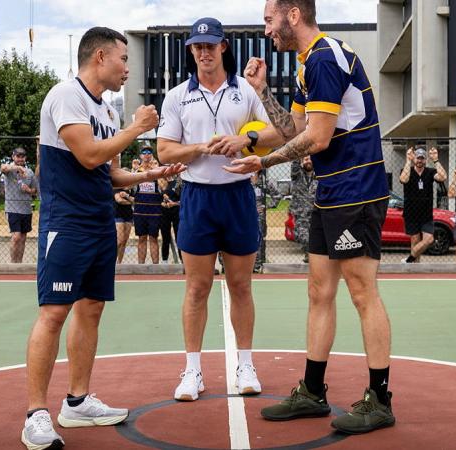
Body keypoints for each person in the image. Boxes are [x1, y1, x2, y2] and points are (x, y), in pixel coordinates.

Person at [226, 0, 396, 434]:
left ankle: (380, 399)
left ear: (293, 15)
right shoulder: (306, 64)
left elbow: (316, 139)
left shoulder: (325, 58)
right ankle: (314, 391)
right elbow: (290, 129)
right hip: (331, 191)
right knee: (320, 291)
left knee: (362, 292)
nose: (266, 31)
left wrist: (261, 164)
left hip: (357, 190)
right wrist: (261, 96)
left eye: (269, 20)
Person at [22, 27, 184, 450]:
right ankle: (35, 415)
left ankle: (76, 402)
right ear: (99, 58)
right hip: (67, 222)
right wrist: (139, 128)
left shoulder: (107, 111)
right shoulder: (66, 96)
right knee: (54, 313)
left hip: (99, 221)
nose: (127, 68)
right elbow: (88, 154)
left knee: (91, 309)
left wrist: (149, 174)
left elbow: (108, 172)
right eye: (123, 59)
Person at [157, 16, 280, 402]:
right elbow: (164, 150)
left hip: (238, 195)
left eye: (210, 45)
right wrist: (200, 148)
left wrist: (244, 140)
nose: (204, 52)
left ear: (223, 46)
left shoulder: (245, 90)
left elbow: (279, 131)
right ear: (191, 49)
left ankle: (245, 363)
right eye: (197, 46)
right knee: (197, 287)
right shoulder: (177, 95)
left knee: (241, 285)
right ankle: (192, 370)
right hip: (197, 198)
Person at [399, 147, 447, 263]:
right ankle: (415, 266)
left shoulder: (430, 172)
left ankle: (409, 259)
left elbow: (443, 177)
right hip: (411, 212)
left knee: (429, 239)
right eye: (417, 158)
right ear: (414, 158)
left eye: (422, 158)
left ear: (425, 160)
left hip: (426, 213)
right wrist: (408, 160)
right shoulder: (407, 170)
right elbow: (403, 180)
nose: (419, 161)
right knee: (415, 240)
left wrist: (435, 160)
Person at [0, 147, 38, 263]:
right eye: (18, 156)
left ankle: (19, 264)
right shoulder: (10, 170)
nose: (20, 159)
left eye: (22, 156)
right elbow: (3, 168)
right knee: (16, 237)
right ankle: (13, 264)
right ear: (13, 157)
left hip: (26, 209)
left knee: (22, 238)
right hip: (12, 208)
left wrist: (29, 190)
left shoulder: (30, 172)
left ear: (25, 158)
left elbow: (35, 191)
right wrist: (18, 168)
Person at [133, 146, 162, 264]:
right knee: (141, 238)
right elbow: (128, 187)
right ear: (140, 156)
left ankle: (156, 267)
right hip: (139, 210)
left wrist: (157, 171)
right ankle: (141, 267)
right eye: (144, 152)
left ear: (152, 156)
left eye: (149, 152)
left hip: (154, 211)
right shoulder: (136, 171)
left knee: (154, 238)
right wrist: (134, 171)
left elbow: (164, 186)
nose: (146, 154)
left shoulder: (156, 171)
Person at [252, 170, 282, 272]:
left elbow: (278, 196)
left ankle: (257, 265)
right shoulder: (242, 179)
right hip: (243, 214)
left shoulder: (265, 181)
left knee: (258, 239)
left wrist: (266, 206)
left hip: (259, 216)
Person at [290, 155, 317, 263]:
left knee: (317, 235)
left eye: (310, 159)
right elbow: (295, 163)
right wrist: (301, 147)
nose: (308, 161)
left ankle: (310, 256)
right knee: (301, 235)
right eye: (305, 159)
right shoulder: (297, 175)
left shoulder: (319, 174)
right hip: (301, 212)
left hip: (316, 211)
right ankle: (311, 253)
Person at [159, 174, 181, 264]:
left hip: (177, 213)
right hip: (164, 213)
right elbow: (159, 200)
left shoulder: (177, 183)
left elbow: (183, 200)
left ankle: (182, 260)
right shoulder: (160, 183)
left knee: (178, 237)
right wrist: (162, 203)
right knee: (165, 237)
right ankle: (165, 260)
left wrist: (174, 204)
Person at [113, 187, 134, 263]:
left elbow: (135, 199)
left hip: (128, 216)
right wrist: (130, 201)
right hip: (118, 215)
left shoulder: (130, 189)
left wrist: (126, 196)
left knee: (124, 241)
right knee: (120, 241)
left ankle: (119, 262)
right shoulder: (117, 188)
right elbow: (119, 200)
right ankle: (112, 261)